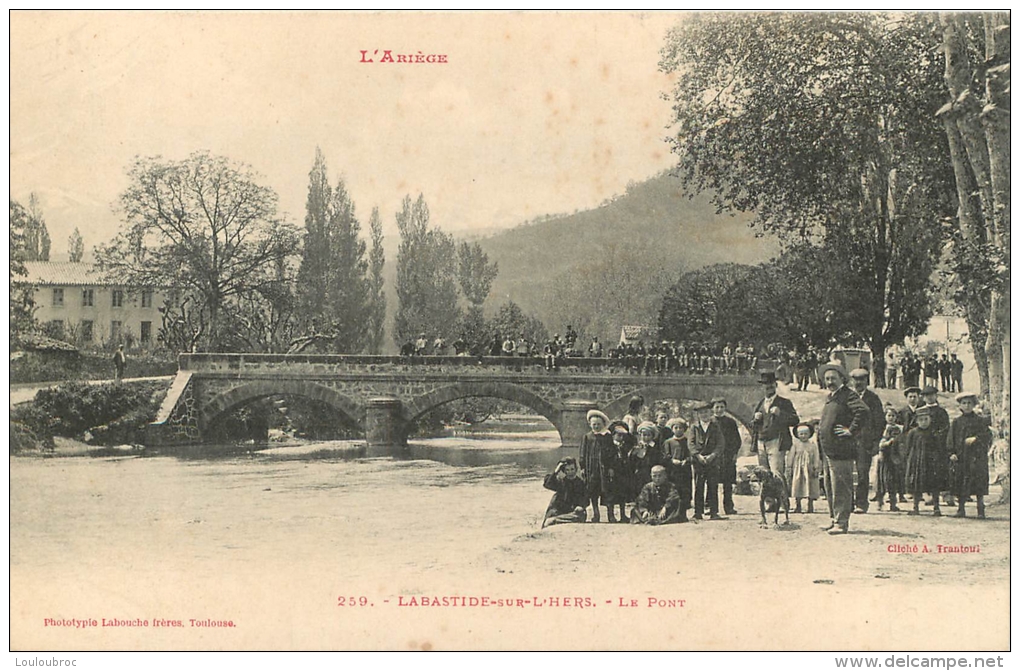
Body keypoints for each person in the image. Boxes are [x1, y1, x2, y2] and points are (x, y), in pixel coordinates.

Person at [816, 362, 870, 535]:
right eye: (827, 378)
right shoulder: (831, 396)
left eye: (833, 378)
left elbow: (863, 411)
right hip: (828, 449)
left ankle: (841, 522)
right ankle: (834, 519)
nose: (830, 381)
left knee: (841, 487)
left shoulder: (848, 395)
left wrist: (851, 430)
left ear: (842, 379)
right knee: (830, 486)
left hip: (841, 450)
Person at [947, 393, 992, 519]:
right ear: (960, 405)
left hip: (976, 457)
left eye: (969, 403)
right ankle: (961, 509)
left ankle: (980, 509)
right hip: (961, 457)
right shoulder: (957, 422)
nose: (967, 406)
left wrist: (976, 439)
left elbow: (987, 435)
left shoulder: (980, 421)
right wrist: (952, 453)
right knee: (960, 481)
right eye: (964, 403)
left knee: (977, 482)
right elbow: (951, 438)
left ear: (973, 405)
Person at [750, 371, 800, 485]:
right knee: (764, 475)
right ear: (762, 387)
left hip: (776, 442)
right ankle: (768, 502)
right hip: (761, 442)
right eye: (765, 384)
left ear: (776, 385)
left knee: (777, 474)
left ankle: (781, 501)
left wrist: (780, 414)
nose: (768, 386)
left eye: (771, 383)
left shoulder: (784, 402)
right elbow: (752, 425)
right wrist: (755, 420)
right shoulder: (760, 404)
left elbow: (795, 420)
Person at [849, 368, 884, 514]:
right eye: (856, 380)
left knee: (863, 473)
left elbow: (880, 422)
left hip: (865, 442)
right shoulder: (847, 397)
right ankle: (848, 502)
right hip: (848, 441)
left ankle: (861, 503)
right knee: (847, 473)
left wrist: (875, 442)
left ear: (866, 381)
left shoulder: (873, 399)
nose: (858, 383)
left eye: (861, 380)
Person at [903, 407, 945, 516]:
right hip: (916, 461)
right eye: (921, 420)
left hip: (931, 462)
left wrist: (937, 459)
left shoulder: (934, 432)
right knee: (916, 484)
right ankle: (915, 507)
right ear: (916, 421)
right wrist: (909, 460)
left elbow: (939, 447)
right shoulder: (913, 433)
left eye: (926, 419)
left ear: (930, 420)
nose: (924, 422)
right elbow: (908, 447)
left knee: (934, 484)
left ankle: (936, 507)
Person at [689, 402, 725, 521]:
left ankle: (714, 512)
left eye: (705, 412)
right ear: (698, 415)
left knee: (713, 486)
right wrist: (698, 455)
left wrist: (713, 455)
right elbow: (691, 443)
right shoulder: (694, 427)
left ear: (710, 413)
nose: (704, 415)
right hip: (698, 461)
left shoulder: (715, 426)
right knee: (699, 486)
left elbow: (721, 443)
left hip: (712, 461)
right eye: (701, 413)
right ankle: (698, 512)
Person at [578, 410, 614, 523]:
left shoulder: (607, 436)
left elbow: (612, 453)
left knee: (607, 491)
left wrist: (611, 467)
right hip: (591, 468)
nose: (596, 426)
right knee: (593, 491)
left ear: (603, 424)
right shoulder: (587, 437)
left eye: (599, 424)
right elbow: (582, 453)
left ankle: (610, 514)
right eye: (594, 424)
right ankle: (596, 513)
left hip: (604, 468)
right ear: (590, 425)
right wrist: (582, 467)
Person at [921, 385, 952, 506]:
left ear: (936, 396)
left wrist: (937, 436)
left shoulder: (941, 412)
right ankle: (929, 495)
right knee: (927, 469)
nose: (929, 398)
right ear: (923, 398)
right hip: (925, 444)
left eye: (931, 395)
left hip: (939, 445)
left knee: (941, 469)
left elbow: (945, 427)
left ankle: (945, 494)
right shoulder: (922, 411)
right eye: (926, 396)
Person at [711, 397, 743, 515]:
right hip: (714, 456)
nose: (719, 409)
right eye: (717, 407)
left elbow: (737, 440)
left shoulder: (730, 422)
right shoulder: (710, 422)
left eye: (722, 407)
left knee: (727, 483)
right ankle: (710, 506)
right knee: (711, 482)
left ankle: (728, 506)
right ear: (713, 408)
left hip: (728, 455)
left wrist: (734, 454)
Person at [541, 458, 588, 527]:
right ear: (564, 471)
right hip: (560, 510)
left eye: (572, 469)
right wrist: (556, 471)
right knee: (551, 514)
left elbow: (586, 499)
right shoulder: (561, 482)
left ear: (576, 469)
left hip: (573, 511)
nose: (570, 472)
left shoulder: (580, 483)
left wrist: (581, 505)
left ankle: (555, 520)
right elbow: (547, 484)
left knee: (581, 514)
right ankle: (555, 520)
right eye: (567, 470)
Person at [661, 417, 692, 521]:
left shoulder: (687, 441)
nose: (678, 429)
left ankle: (683, 513)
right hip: (673, 471)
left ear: (684, 429)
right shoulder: (668, 442)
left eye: (681, 428)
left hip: (684, 471)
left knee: (685, 491)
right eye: (676, 427)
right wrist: (672, 460)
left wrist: (686, 461)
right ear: (672, 429)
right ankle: (672, 513)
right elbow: (665, 455)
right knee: (673, 490)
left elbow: (691, 454)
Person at [875, 405, 904, 512]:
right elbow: (880, 443)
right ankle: (880, 503)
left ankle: (893, 503)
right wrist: (887, 443)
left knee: (893, 481)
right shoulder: (882, 429)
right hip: (884, 457)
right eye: (889, 415)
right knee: (882, 481)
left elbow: (900, 441)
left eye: (893, 416)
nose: (891, 418)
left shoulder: (898, 428)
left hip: (894, 457)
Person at [605, 421, 636, 522]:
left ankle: (623, 515)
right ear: (613, 435)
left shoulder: (624, 446)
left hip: (622, 472)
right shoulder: (609, 446)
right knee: (611, 494)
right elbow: (607, 459)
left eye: (622, 435)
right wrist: (609, 468)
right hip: (613, 473)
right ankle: (611, 515)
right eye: (618, 435)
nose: (621, 437)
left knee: (622, 493)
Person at [787, 423, 820, 514]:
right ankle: (798, 505)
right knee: (797, 485)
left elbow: (816, 456)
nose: (803, 436)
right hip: (798, 469)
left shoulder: (812, 445)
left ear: (809, 434)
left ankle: (810, 505)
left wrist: (816, 466)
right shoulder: (796, 445)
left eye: (806, 433)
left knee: (811, 485)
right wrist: (789, 466)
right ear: (797, 435)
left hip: (809, 469)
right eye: (801, 434)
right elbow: (791, 456)